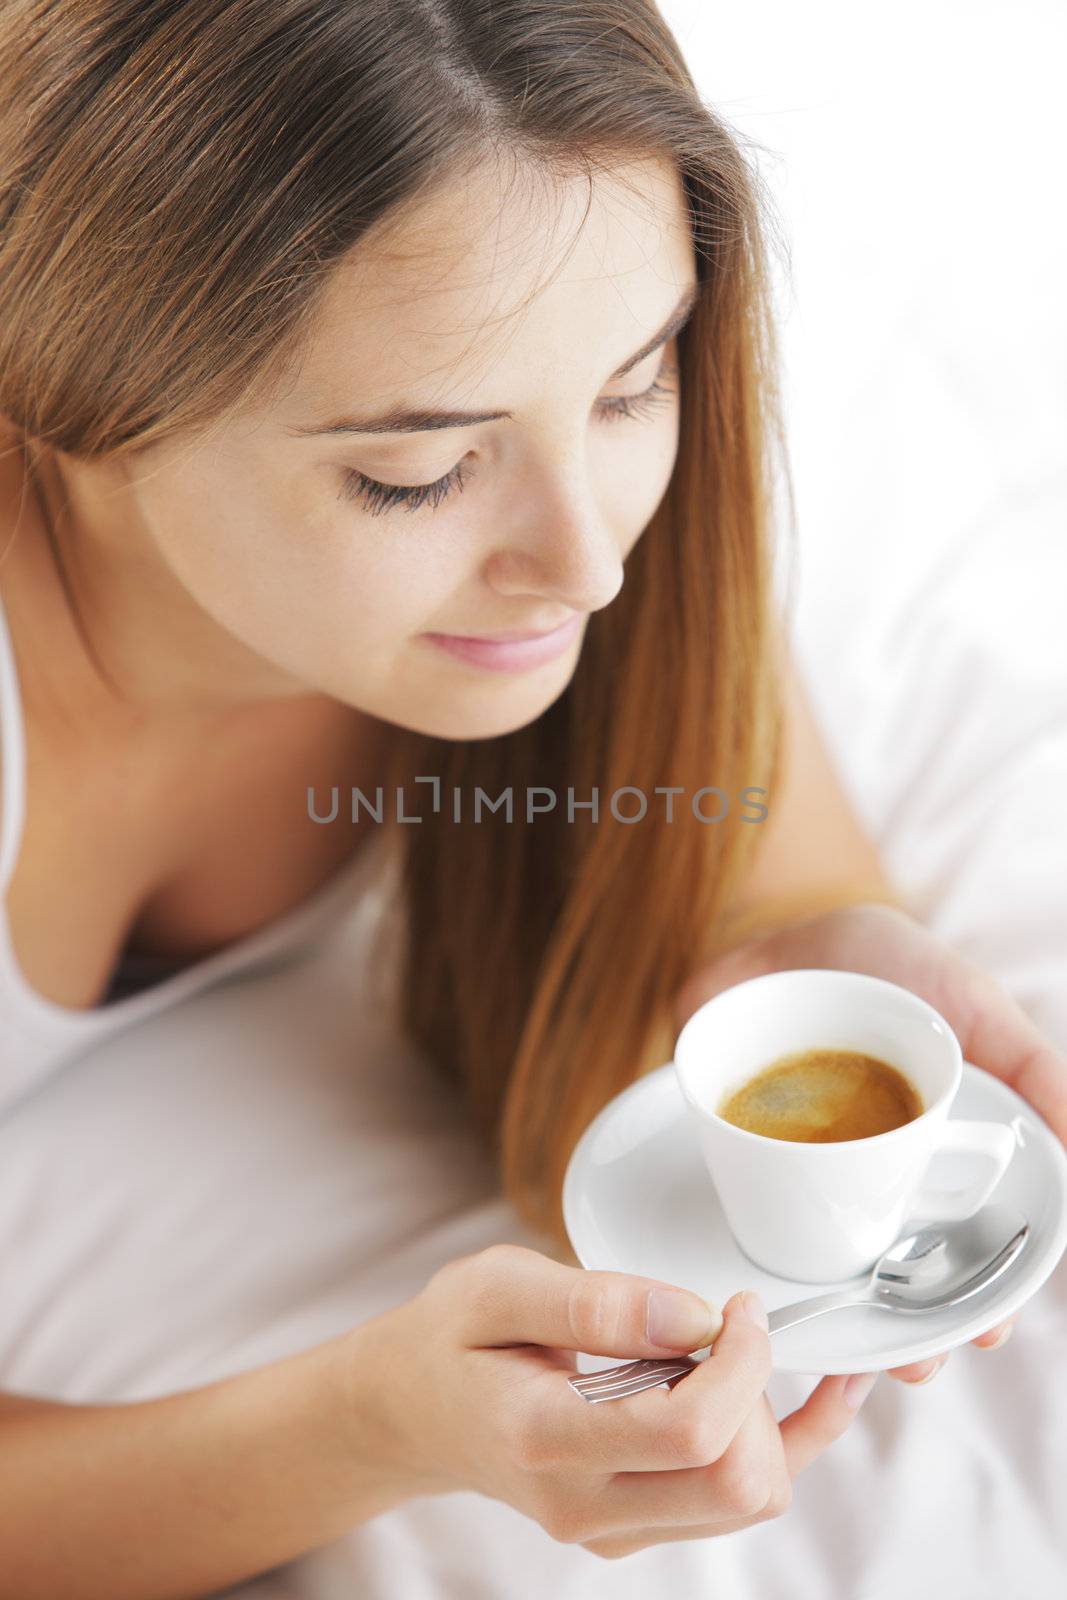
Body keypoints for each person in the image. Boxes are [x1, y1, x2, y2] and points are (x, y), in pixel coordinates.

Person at [0, 3, 1061, 1596]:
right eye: (417, 473)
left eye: (635, 386)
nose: (591, 562)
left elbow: (766, 885)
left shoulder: (590, 539)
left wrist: (807, 956)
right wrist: (369, 1425)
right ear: (64, 390)